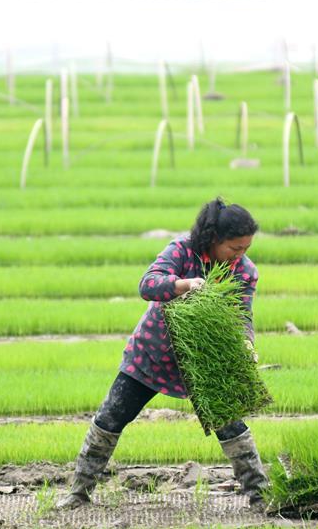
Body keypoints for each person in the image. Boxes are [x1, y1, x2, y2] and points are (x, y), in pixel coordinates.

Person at [56, 197, 268, 512]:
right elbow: (148, 284)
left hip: (205, 362)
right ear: (214, 240)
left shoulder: (245, 272)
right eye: (235, 249)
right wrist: (183, 285)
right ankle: (78, 493)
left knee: (230, 425)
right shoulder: (183, 251)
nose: (241, 256)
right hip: (154, 354)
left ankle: (260, 495)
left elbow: (242, 316)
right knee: (111, 417)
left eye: (246, 249)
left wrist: (246, 344)